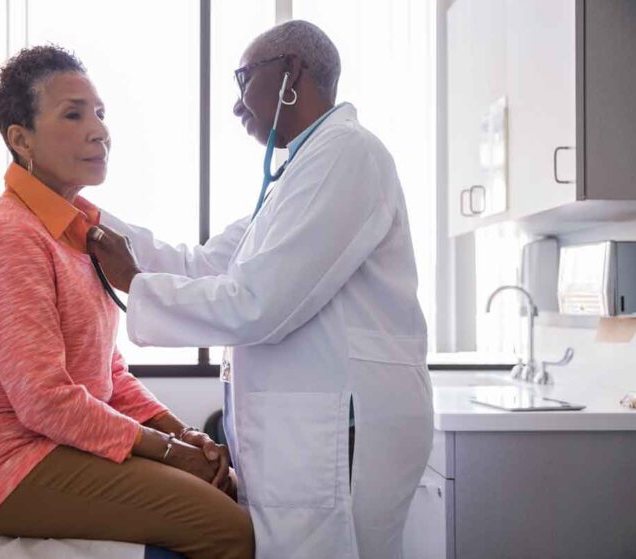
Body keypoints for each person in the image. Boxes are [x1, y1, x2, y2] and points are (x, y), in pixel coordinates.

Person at [89, 20, 433, 559]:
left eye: (243, 79)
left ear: (291, 72)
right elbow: (201, 264)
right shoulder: (300, 172)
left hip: (341, 428)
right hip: (309, 429)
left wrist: (134, 283)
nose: (236, 104)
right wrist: (84, 216)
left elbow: (261, 303)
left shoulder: (347, 155)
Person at [0, 45, 254, 559]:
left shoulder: (81, 230)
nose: (98, 130)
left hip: (51, 445)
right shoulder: (5, 235)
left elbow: (108, 373)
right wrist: (170, 453)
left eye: (100, 113)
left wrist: (181, 434)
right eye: (73, 114)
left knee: (224, 489)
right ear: (20, 138)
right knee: (230, 530)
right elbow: (46, 400)